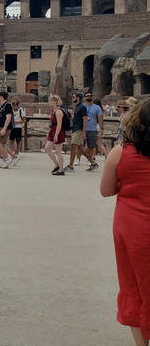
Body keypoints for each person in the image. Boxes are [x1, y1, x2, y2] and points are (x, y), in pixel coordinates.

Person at [100, 98, 150, 346]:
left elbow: (106, 190)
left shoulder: (120, 153)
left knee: (132, 284)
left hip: (131, 226)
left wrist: (128, 184)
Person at [65, 92, 97, 172]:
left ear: (78, 98)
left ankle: (71, 165)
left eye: (73, 97)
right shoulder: (77, 107)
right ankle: (93, 163)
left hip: (78, 130)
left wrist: (83, 131)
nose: (72, 98)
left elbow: (84, 119)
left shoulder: (82, 107)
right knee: (81, 148)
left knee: (73, 146)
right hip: (76, 129)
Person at [44, 95, 67, 175]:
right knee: (47, 148)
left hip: (58, 131)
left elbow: (59, 124)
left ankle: (61, 169)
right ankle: (57, 164)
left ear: (55, 101)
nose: (49, 102)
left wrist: (56, 135)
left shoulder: (58, 111)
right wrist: (50, 132)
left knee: (58, 151)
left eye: (51, 100)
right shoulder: (54, 111)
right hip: (53, 130)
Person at [0, 91, 15, 169]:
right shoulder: (2, 106)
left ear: (2, 97)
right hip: (2, 126)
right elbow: (2, 117)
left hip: (6, 127)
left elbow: (8, 117)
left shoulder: (7, 105)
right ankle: (5, 161)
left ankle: (7, 158)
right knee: (2, 144)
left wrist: (4, 129)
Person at [84, 92, 104, 169]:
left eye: (90, 96)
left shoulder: (97, 108)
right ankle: (77, 158)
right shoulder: (82, 106)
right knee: (80, 145)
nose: (89, 97)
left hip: (93, 129)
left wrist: (102, 128)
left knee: (91, 146)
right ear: (84, 97)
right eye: (87, 96)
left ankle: (89, 159)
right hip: (83, 129)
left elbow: (100, 118)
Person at [10, 98, 26, 164]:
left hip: (18, 127)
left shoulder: (20, 110)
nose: (13, 107)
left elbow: (24, 120)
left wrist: (17, 122)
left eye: (14, 106)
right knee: (11, 140)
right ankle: (11, 153)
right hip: (12, 127)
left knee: (18, 141)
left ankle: (17, 153)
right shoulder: (11, 110)